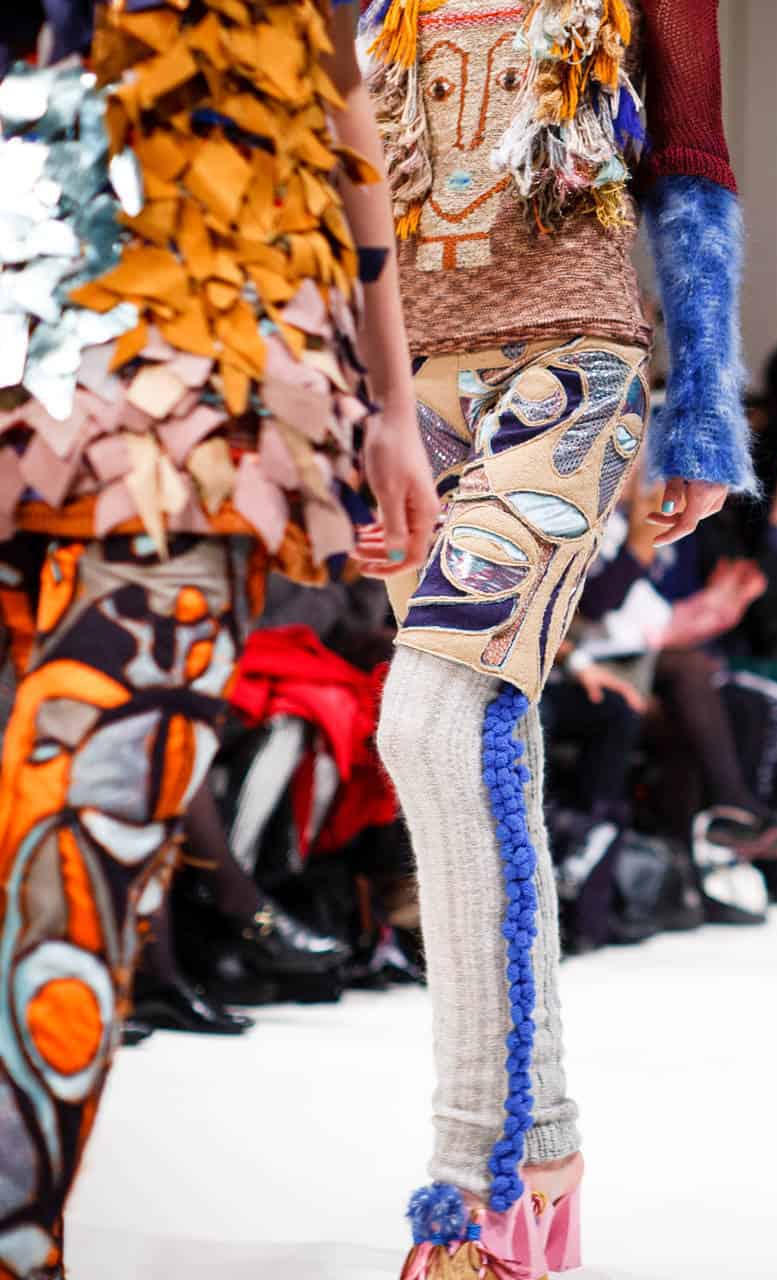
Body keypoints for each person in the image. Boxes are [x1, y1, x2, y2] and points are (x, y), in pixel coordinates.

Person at [0, 2, 438, 1270]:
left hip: (197, 379)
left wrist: (393, 398)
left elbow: (339, 89)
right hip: (69, 330)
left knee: (77, 833)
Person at [358, 1, 754, 1273]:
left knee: (430, 721)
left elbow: (689, 165)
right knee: (487, 742)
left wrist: (702, 409)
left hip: (569, 366)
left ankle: (470, 1172)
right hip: (403, 384)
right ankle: (544, 1149)